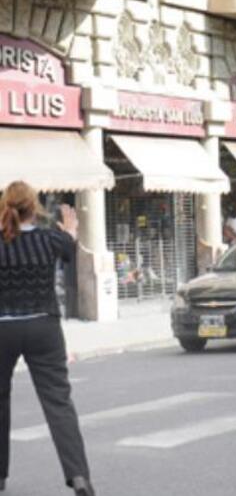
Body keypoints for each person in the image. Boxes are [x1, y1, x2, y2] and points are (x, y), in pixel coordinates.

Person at [0, 182, 95, 495]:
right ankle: (79, 476)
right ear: (35, 207)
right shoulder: (49, 238)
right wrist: (70, 230)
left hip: (3, 329)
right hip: (44, 327)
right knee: (58, 402)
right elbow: (69, 250)